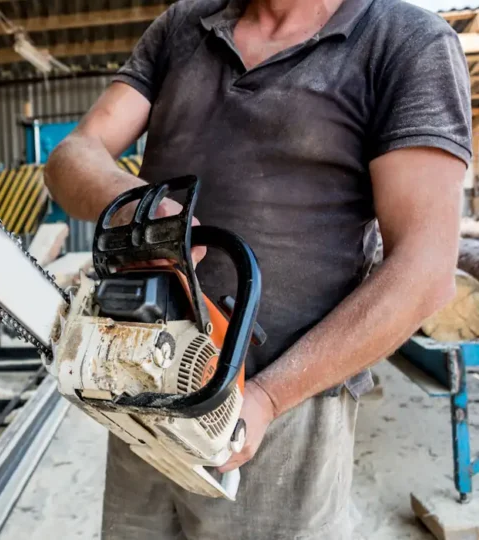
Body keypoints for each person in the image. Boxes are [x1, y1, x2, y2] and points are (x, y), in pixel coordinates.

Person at [44, 0, 472, 538]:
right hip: (144, 372)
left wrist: (267, 397)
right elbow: (72, 155)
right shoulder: (183, 27)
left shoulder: (403, 42)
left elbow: (425, 267)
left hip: (283, 400)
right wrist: (132, 203)